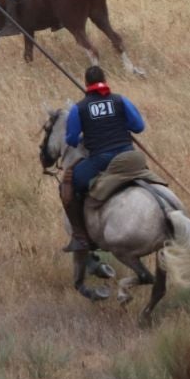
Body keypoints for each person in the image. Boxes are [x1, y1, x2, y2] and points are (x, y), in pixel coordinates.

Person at [61, 64, 147, 253]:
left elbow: (72, 140)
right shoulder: (120, 100)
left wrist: (86, 134)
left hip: (101, 160)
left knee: (68, 183)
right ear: (105, 81)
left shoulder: (79, 108)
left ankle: (80, 237)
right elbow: (138, 127)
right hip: (130, 156)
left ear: (86, 83)